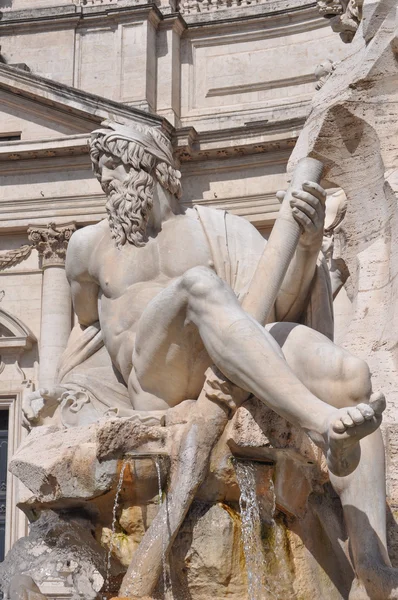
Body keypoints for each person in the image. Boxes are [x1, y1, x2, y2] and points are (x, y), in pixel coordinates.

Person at [25, 121, 393, 599]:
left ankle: (373, 562)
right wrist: (67, 393)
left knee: (352, 376)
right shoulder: (86, 248)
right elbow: (88, 328)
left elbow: (278, 305)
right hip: (156, 380)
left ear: (152, 168)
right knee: (200, 284)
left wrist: (305, 243)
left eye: (115, 164)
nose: (106, 179)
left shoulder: (218, 228)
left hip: (234, 359)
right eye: (102, 169)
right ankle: (322, 422)